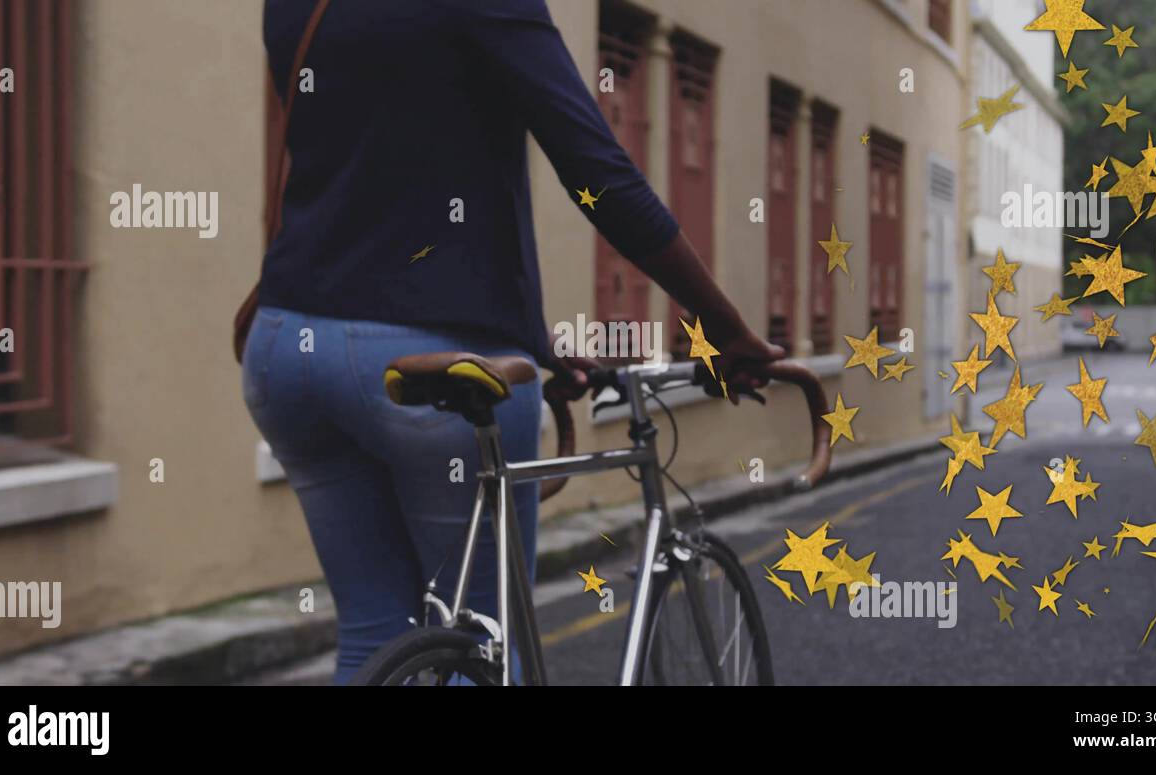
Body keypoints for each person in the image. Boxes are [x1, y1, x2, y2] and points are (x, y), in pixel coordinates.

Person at [244, 0, 783, 684]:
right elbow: (599, 178)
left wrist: (528, 339)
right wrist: (727, 329)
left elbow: (377, 166)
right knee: (485, 640)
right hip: (429, 359)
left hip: (287, 346)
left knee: (375, 631)